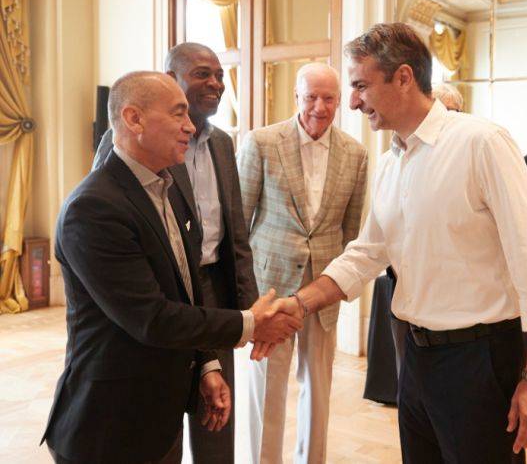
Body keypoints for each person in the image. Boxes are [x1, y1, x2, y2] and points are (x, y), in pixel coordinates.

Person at [260, 23, 527, 463]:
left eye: (361, 86)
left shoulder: (481, 142)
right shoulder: (392, 163)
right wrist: (299, 304)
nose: (353, 102)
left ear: (404, 77)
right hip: (414, 359)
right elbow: (366, 253)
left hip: (478, 360)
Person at [41, 71, 303, 464]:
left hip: (159, 416)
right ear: (134, 119)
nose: (191, 126)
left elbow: (185, 291)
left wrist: (207, 364)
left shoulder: (168, 190)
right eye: (178, 114)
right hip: (109, 426)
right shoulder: (94, 208)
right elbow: (152, 318)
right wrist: (251, 323)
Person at [93, 43, 255, 463]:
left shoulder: (223, 143)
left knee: (216, 404)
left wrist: (248, 304)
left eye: (220, 75)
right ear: (171, 78)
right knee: (165, 393)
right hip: (160, 288)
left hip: (213, 286)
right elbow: (111, 213)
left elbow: (236, 229)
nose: (216, 84)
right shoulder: (123, 146)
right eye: (203, 74)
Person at [237, 62, 368, 464]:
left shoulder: (356, 154)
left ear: (340, 100)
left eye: (329, 98)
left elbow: (351, 232)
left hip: (323, 289)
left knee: (318, 386)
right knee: (267, 387)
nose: (319, 107)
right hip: (270, 288)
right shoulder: (261, 143)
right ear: (296, 96)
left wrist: (339, 286)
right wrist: (244, 294)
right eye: (311, 97)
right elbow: (239, 224)